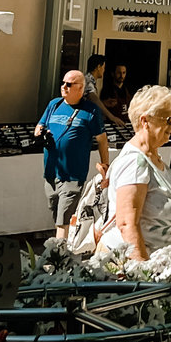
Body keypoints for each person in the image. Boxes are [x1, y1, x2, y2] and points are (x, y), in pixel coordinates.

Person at [101, 85, 171, 260]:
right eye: (168, 120)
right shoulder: (135, 162)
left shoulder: (154, 159)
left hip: (162, 263)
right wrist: (144, 269)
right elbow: (127, 224)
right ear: (145, 121)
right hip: (132, 264)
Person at [35, 70, 110, 240]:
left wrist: (105, 165)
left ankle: (58, 253)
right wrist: (39, 132)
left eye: (69, 84)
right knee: (57, 216)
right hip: (51, 173)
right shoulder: (54, 104)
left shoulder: (91, 110)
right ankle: (64, 247)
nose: (64, 87)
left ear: (81, 88)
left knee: (62, 220)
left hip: (73, 175)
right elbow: (39, 125)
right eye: (63, 83)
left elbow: (102, 140)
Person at [83, 53, 126, 128]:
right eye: (103, 67)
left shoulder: (89, 80)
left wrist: (104, 103)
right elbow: (92, 98)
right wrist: (112, 117)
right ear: (98, 67)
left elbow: (88, 101)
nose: (104, 70)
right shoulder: (88, 81)